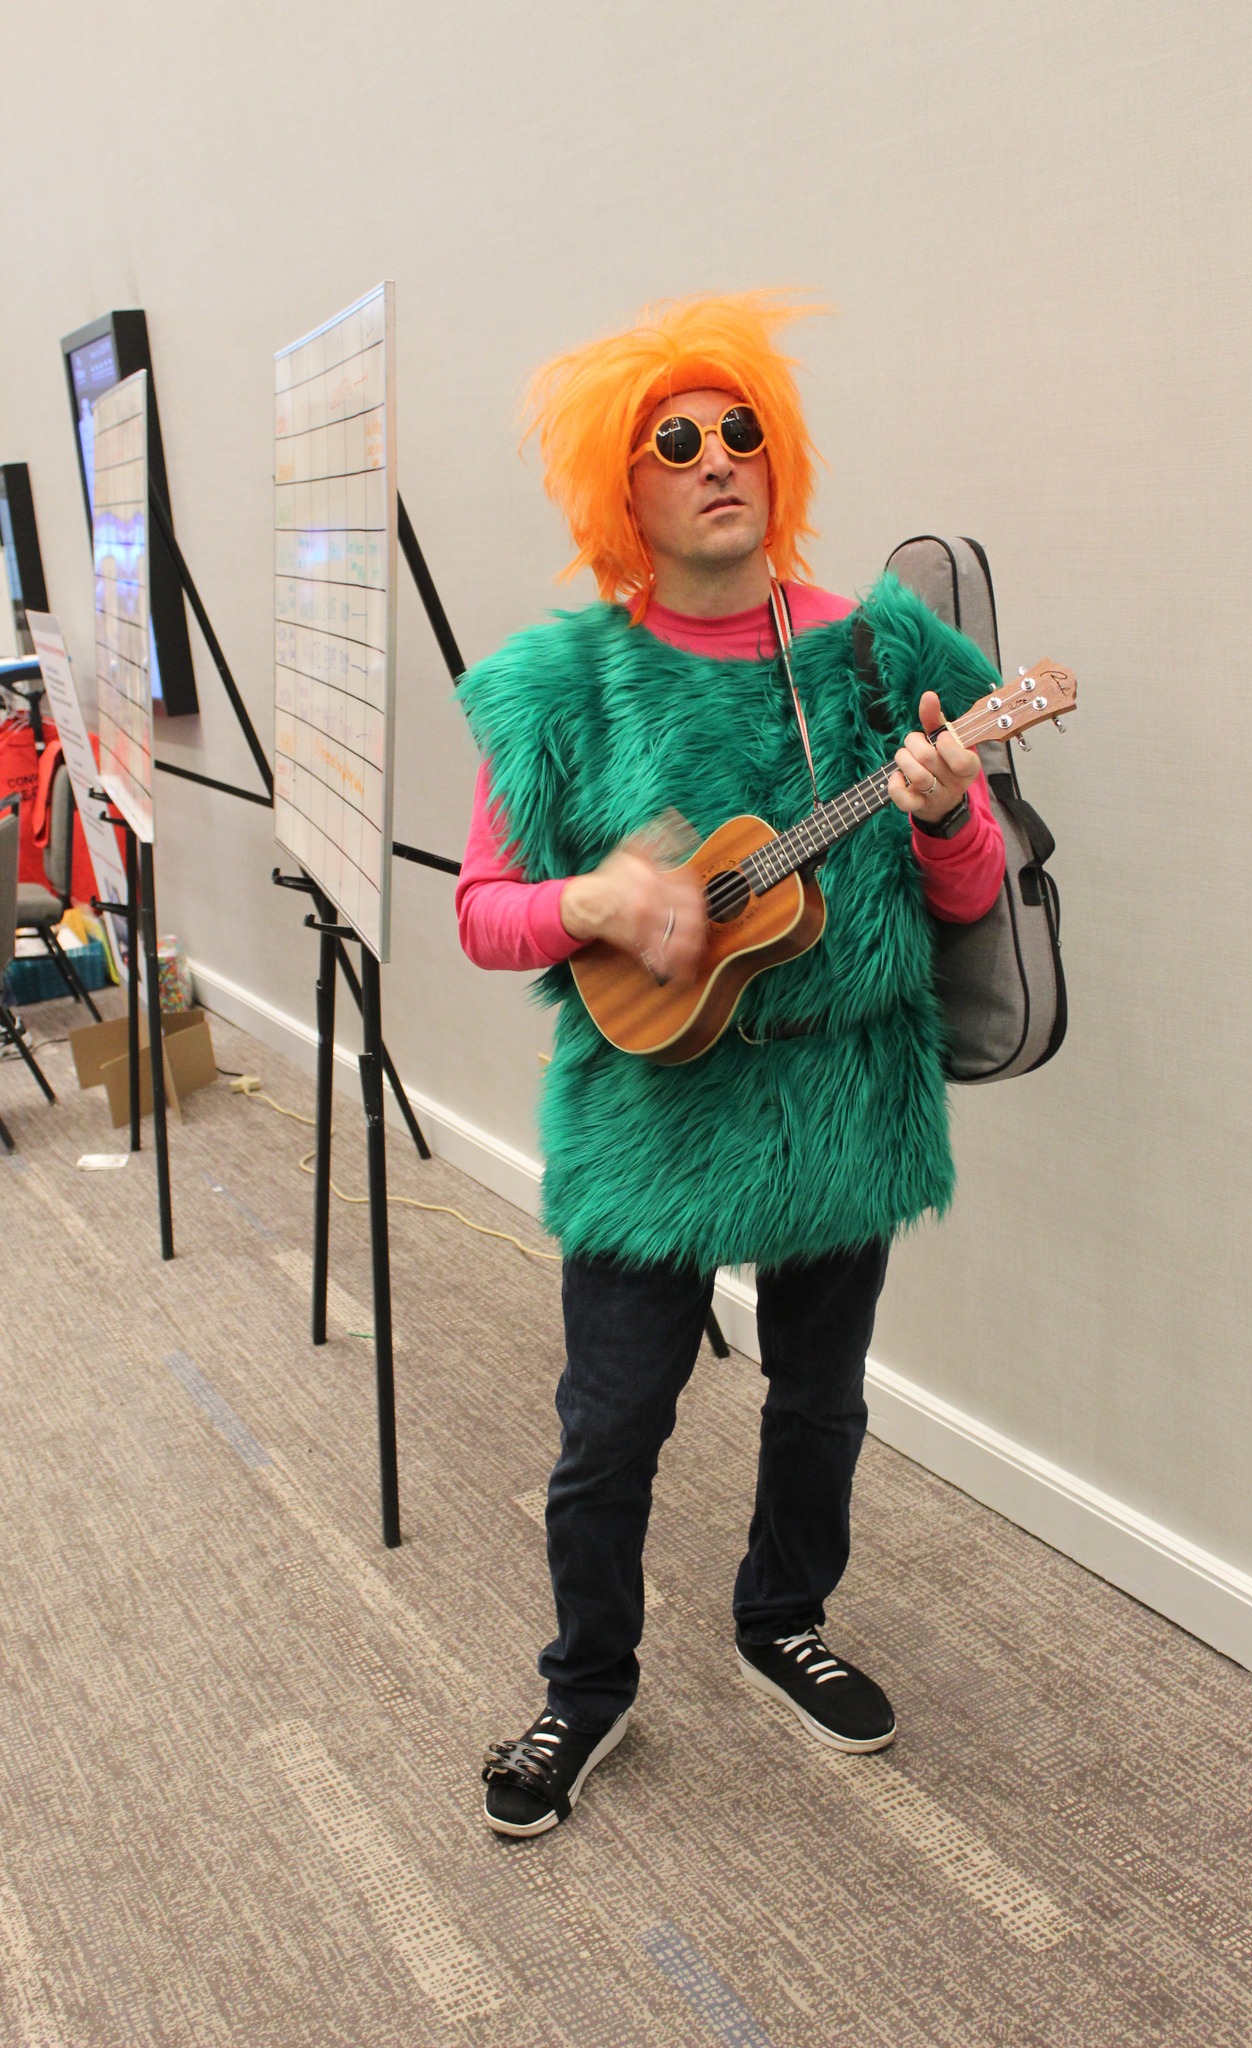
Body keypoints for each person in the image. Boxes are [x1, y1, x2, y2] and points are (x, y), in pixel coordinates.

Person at [456, 292, 1006, 1837]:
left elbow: (969, 895)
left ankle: (783, 1617)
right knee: (609, 1425)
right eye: (675, 440)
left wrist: (942, 813)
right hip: (649, 1106)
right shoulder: (560, 686)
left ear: (781, 459)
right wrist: (593, 904)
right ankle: (585, 1684)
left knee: (819, 1400)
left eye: (742, 430)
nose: (716, 459)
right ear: (615, 486)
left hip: (843, 1095)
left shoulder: (876, 656)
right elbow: (484, 913)